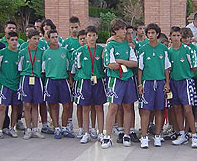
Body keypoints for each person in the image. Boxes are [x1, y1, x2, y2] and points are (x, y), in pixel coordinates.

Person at [101, 18, 138, 149]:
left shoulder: (127, 45)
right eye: (121, 29)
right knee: (113, 107)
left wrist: (121, 61)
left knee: (128, 106)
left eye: (125, 29)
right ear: (115, 31)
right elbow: (110, 64)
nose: (124, 32)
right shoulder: (110, 45)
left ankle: (127, 134)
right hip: (115, 80)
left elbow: (134, 63)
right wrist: (122, 64)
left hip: (128, 78)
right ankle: (107, 136)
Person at [137, 23, 171, 148]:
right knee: (146, 110)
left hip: (160, 82)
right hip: (147, 82)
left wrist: (167, 83)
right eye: (149, 33)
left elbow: (167, 67)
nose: (150, 35)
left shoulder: (163, 49)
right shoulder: (143, 49)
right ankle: (144, 136)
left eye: (153, 33)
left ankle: (157, 135)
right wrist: (140, 84)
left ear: (157, 34)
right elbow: (140, 68)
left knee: (159, 110)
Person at [72, 26, 106, 143]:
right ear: (85, 37)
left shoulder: (101, 50)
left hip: (98, 80)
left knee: (99, 107)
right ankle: (86, 132)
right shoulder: (80, 51)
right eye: (89, 36)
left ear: (97, 36)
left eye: (93, 35)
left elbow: (104, 65)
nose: (91, 38)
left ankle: (101, 132)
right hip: (85, 81)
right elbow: (76, 67)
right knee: (85, 107)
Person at [167, 26, 197, 148]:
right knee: (176, 108)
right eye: (173, 35)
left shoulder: (188, 50)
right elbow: (167, 68)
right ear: (170, 36)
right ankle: (182, 134)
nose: (176, 38)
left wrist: (186, 75)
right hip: (173, 82)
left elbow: (194, 67)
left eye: (178, 35)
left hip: (185, 82)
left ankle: (194, 135)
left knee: (188, 109)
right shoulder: (168, 51)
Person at [0, 31, 22, 140]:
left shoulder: (20, 54)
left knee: (15, 107)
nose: (14, 42)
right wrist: (3, 80)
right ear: (7, 40)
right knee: (2, 106)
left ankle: (12, 128)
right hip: (4, 84)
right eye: (12, 40)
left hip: (16, 84)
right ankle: (0, 130)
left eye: (16, 40)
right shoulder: (2, 53)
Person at [18, 29, 45, 140]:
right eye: (34, 39)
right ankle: (28, 129)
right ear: (28, 39)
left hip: (37, 79)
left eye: (38, 39)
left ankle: (35, 129)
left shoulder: (41, 52)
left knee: (35, 104)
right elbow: (20, 68)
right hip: (26, 78)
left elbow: (43, 68)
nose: (36, 41)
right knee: (27, 105)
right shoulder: (23, 52)